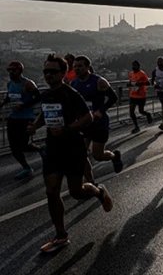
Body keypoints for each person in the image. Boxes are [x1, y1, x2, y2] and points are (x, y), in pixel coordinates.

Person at [31, 54, 113, 253]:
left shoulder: (71, 93)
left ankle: (98, 191)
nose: (48, 75)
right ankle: (61, 235)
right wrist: (34, 126)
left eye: (53, 71)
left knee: (76, 192)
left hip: (73, 147)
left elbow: (88, 118)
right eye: (46, 71)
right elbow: (45, 113)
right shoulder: (47, 95)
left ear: (62, 73)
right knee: (51, 191)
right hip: (53, 148)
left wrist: (68, 129)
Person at [71, 56, 123, 185]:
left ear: (88, 67)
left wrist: (101, 110)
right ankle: (90, 181)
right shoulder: (74, 83)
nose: (77, 69)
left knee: (98, 155)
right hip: (84, 123)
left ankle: (114, 156)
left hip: (99, 123)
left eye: (80, 66)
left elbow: (113, 97)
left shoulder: (99, 81)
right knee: (81, 154)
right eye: (75, 66)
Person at [1, 61, 41, 179]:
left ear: (20, 70)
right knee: (13, 146)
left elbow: (38, 97)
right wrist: (2, 103)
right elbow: (9, 97)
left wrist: (23, 105)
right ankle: (26, 168)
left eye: (13, 70)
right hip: (13, 118)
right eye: (9, 70)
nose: (11, 72)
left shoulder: (28, 84)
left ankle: (41, 148)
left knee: (23, 145)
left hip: (26, 118)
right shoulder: (10, 84)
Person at [128, 61, 152, 133]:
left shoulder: (142, 74)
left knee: (141, 111)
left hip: (141, 95)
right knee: (131, 111)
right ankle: (136, 127)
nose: (133, 67)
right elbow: (131, 81)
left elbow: (148, 83)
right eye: (133, 65)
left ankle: (148, 114)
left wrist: (140, 83)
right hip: (133, 94)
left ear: (138, 66)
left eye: (135, 65)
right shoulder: (131, 73)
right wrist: (129, 84)